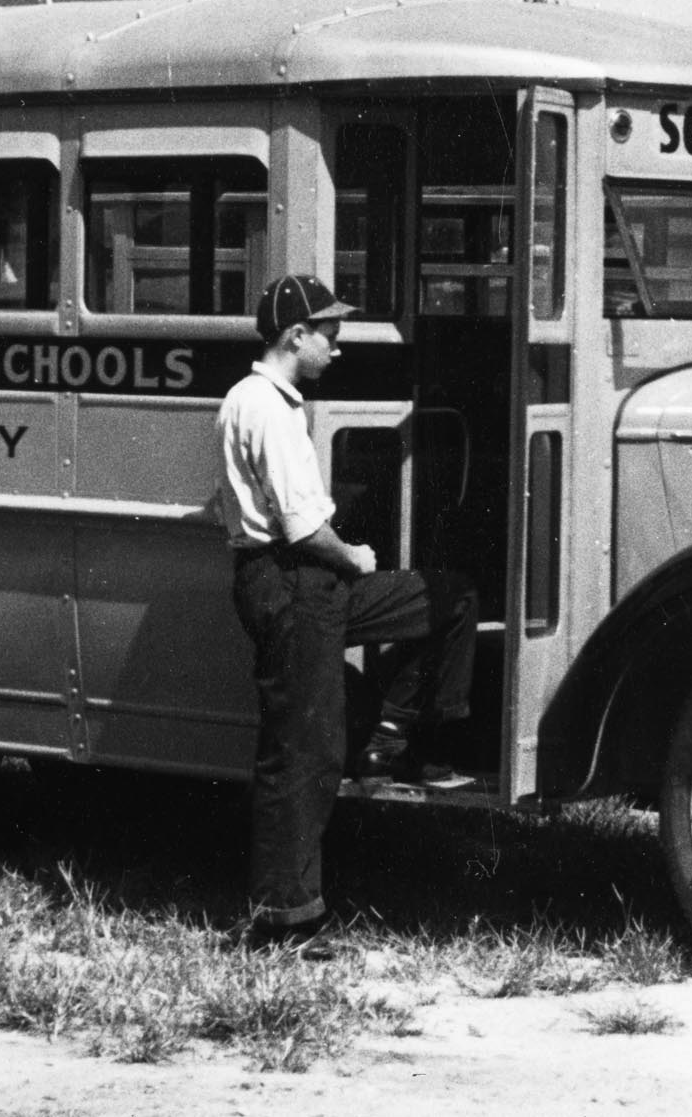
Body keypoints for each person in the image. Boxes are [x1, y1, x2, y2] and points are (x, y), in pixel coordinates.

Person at [216, 274, 478, 951]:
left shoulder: (258, 399)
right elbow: (305, 530)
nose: (336, 346)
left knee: (448, 598)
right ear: (293, 336)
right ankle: (285, 918)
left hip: (301, 585)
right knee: (303, 750)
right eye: (327, 334)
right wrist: (356, 556)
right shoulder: (269, 411)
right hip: (295, 579)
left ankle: (402, 734)